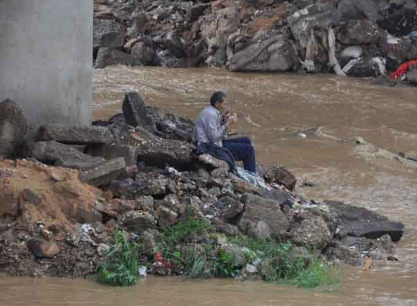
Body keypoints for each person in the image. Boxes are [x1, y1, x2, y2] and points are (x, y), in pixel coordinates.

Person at [193, 91, 257, 173]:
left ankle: (249, 169)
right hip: (208, 147)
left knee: (246, 140)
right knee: (249, 150)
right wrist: (227, 124)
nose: (226, 106)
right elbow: (213, 137)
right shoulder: (211, 114)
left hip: (213, 143)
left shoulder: (213, 111)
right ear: (217, 104)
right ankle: (252, 176)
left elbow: (216, 131)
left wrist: (224, 121)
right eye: (225, 104)